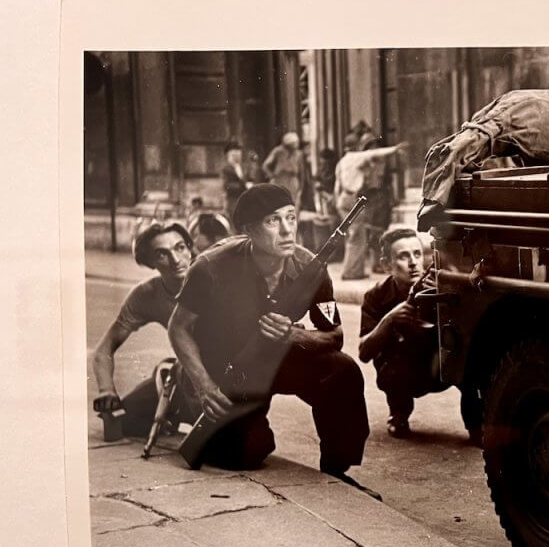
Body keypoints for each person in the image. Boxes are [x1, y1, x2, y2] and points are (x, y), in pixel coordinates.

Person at [167, 183, 369, 475]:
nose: (287, 230)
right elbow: (179, 328)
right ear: (249, 229)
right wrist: (204, 387)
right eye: (273, 221)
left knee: (342, 370)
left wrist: (296, 336)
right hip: (225, 368)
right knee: (248, 452)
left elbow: (334, 335)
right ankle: (181, 399)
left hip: (276, 360)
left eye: (291, 217)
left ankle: (336, 470)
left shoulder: (310, 268)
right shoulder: (211, 268)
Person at [358, 227, 482, 443]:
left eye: (417, 254)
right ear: (386, 264)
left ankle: (476, 425)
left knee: (473, 361)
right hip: (405, 370)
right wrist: (388, 320)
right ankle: (399, 414)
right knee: (391, 369)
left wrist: (446, 298)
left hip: (441, 366)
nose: (413, 262)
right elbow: (364, 353)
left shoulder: (439, 286)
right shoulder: (376, 297)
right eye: (403, 257)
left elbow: (468, 333)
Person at [91, 222, 200, 437]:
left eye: (180, 248)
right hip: (184, 375)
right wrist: (106, 390)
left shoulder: (215, 278)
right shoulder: (147, 295)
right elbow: (103, 350)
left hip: (224, 376)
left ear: (189, 248)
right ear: (150, 262)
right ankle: (172, 417)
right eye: (162, 254)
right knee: (124, 421)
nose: (176, 260)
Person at [334, 131, 406, 280]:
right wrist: (395, 148)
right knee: (358, 238)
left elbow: (337, 185)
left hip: (344, 198)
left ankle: (353, 270)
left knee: (354, 237)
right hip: (355, 198)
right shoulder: (357, 158)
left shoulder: (343, 161)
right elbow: (378, 153)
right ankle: (351, 272)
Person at [261, 131, 305, 206]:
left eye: (296, 142)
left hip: (292, 182)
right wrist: (271, 175)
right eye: (294, 143)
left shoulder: (298, 154)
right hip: (280, 181)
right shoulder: (278, 151)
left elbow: (301, 171)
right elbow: (265, 165)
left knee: (292, 204)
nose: (296, 144)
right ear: (288, 144)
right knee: (278, 203)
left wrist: (301, 186)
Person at [220, 142, 251, 223]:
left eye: (238, 156)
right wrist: (244, 185)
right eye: (233, 156)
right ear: (228, 157)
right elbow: (227, 186)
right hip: (233, 201)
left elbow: (250, 179)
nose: (236, 158)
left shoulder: (244, 168)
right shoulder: (225, 169)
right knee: (234, 223)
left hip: (246, 200)